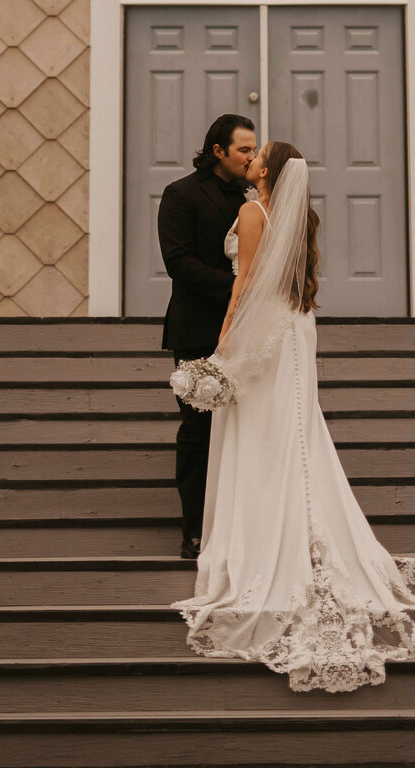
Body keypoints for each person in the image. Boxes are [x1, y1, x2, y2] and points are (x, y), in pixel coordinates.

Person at [173, 139, 415, 694]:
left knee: (267, 429)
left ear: (266, 169)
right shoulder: (300, 216)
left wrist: (224, 340)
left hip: (263, 324)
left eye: (257, 153)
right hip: (295, 324)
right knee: (294, 426)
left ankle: (270, 529)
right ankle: (304, 520)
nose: (250, 158)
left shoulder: (251, 211)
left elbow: (244, 280)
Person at [157, 112, 256, 559]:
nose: (251, 157)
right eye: (244, 150)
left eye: (253, 150)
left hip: (250, 332)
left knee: (245, 430)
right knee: (197, 432)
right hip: (199, 328)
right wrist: (237, 287)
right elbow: (178, 262)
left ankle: (241, 524)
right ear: (218, 151)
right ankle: (194, 530)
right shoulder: (180, 194)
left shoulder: (254, 198)